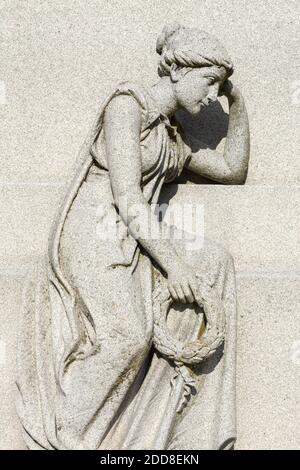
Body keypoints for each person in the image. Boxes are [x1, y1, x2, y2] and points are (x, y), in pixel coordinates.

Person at [17, 23, 250, 450]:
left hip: (134, 234)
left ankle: (192, 432)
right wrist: (174, 264)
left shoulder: (172, 137)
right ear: (178, 70)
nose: (211, 93)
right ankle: (69, 433)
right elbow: (126, 197)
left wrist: (235, 101)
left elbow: (233, 170)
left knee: (216, 261)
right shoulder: (127, 107)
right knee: (127, 334)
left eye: (218, 84)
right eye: (208, 80)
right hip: (95, 232)